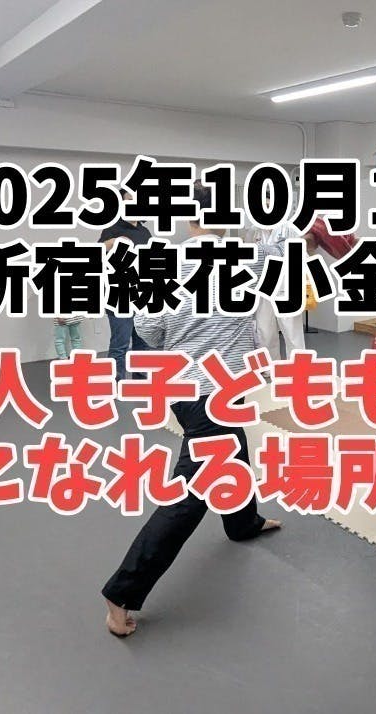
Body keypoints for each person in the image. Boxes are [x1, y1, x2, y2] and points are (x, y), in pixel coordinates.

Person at [102, 182, 302, 637]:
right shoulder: (248, 259)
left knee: (235, 446)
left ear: (190, 220)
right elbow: (290, 250)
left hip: (187, 386)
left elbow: (148, 330)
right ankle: (121, 592)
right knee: (191, 493)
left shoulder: (163, 265)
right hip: (214, 390)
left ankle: (243, 521)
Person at [100, 191, 153, 381]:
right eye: (129, 200)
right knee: (120, 344)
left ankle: (140, 382)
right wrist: (113, 243)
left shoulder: (145, 233)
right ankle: (115, 384)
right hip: (119, 295)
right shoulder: (112, 229)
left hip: (141, 294)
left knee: (143, 343)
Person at [243, 204, 306, 360]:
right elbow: (249, 258)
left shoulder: (289, 230)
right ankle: (270, 368)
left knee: (292, 334)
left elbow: (301, 257)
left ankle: (299, 368)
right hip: (263, 286)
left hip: (287, 286)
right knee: (265, 332)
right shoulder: (253, 231)